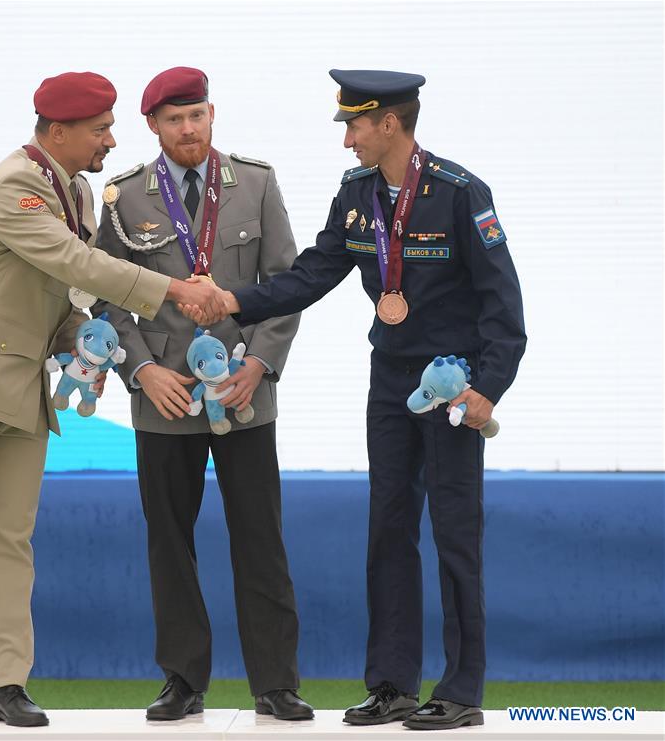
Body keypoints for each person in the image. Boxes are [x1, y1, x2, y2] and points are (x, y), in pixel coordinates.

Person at [0, 71, 224, 731]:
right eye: (100, 130)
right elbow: (75, 263)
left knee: (10, 539)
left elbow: (58, 290)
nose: (111, 141)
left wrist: (77, 344)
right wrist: (176, 291)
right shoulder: (14, 186)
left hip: (21, 385)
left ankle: (4, 684)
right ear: (58, 132)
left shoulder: (77, 190)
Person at [184, 69, 526, 731]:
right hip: (390, 380)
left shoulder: (460, 193)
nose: (347, 139)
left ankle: (460, 690)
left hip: (451, 385)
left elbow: (502, 305)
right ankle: (392, 685)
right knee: (387, 528)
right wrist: (232, 301)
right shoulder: (356, 193)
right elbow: (313, 273)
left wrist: (488, 387)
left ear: (389, 123)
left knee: (455, 534)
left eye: (355, 125)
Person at [93, 67, 313, 722]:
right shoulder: (123, 197)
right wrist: (141, 371)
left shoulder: (257, 183)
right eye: (174, 119)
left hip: (242, 390)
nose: (188, 129)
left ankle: (275, 684)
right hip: (163, 395)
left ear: (212, 114)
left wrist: (260, 365)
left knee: (260, 537)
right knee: (169, 540)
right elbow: (107, 295)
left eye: (196, 115)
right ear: (153, 126)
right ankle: (182, 680)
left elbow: (285, 285)